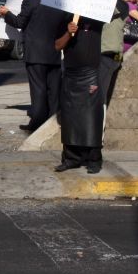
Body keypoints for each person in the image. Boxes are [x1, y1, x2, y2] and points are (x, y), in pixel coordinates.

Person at [0, 0, 67, 132]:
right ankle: (53, 120)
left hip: (35, 52)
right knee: (54, 89)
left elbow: (20, 23)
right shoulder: (62, 3)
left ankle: (36, 121)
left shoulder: (31, 1)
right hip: (54, 51)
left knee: (38, 90)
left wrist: (7, 14)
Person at [54, 14, 105, 174]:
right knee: (70, 118)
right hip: (71, 74)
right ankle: (71, 158)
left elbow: (121, 9)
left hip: (90, 74)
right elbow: (57, 46)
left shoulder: (98, 18)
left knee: (92, 118)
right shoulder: (65, 19)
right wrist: (68, 32)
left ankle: (94, 159)